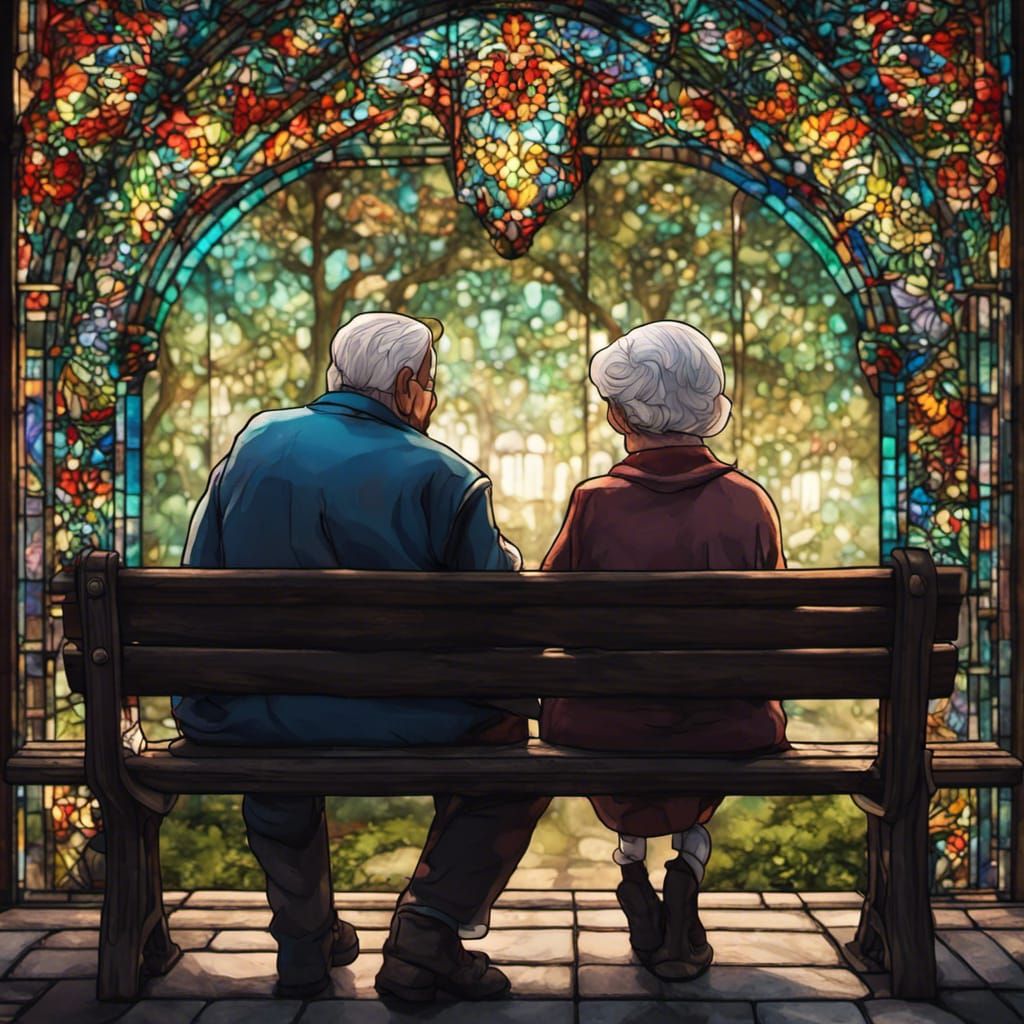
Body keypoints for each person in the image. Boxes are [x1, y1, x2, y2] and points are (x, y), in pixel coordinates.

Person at [176, 311, 548, 1003]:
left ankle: (304, 940)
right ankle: (429, 932)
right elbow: (496, 611)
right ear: (407, 385)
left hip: (249, 710)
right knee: (509, 757)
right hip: (406, 717)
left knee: (275, 723)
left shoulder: (255, 444)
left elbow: (200, 574)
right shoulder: (447, 477)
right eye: (430, 385)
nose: (431, 400)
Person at [540, 320, 789, 982]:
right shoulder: (749, 504)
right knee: (700, 722)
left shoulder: (594, 503)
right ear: (709, 407)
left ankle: (630, 863)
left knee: (628, 722)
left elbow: (544, 607)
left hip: (605, 725)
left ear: (620, 413)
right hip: (727, 724)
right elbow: (777, 626)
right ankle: (688, 864)